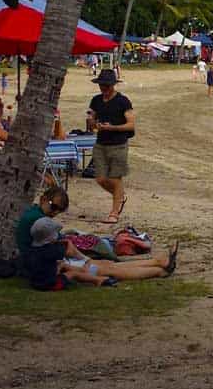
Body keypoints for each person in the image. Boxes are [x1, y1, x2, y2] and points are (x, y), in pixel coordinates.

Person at [24, 216, 178, 290]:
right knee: (113, 269)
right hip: (75, 267)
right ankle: (158, 270)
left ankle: (157, 263)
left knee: (111, 265)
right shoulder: (54, 248)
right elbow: (69, 251)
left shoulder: (35, 249)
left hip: (71, 266)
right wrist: (84, 260)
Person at [87, 69, 135, 224]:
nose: (104, 88)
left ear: (113, 85)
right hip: (101, 143)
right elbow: (91, 122)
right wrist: (93, 123)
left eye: (106, 86)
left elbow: (131, 125)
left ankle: (114, 213)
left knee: (115, 178)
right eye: (101, 85)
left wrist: (112, 128)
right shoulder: (96, 100)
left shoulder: (123, 101)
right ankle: (120, 196)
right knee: (100, 178)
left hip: (118, 144)